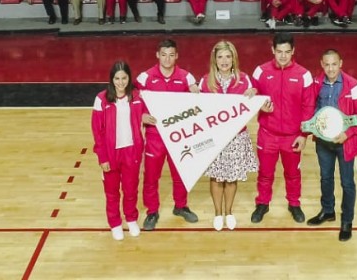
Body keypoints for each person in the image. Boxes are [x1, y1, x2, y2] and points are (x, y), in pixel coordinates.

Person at [135, 39, 200, 230]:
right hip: (155, 136)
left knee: (180, 174)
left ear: (177, 56)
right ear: (157, 55)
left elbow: (199, 105)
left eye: (171, 55)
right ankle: (152, 211)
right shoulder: (145, 77)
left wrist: (197, 92)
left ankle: (181, 206)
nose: (167, 59)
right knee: (151, 177)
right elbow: (131, 99)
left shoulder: (186, 78)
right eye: (164, 54)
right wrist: (141, 115)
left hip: (179, 136)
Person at [251, 32, 315, 224]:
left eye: (287, 52)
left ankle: (294, 204)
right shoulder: (260, 71)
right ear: (273, 50)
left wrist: (304, 134)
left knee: (293, 173)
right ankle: (262, 203)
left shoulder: (304, 75)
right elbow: (251, 95)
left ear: (293, 51)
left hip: (292, 136)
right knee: (265, 173)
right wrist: (258, 104)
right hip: (267, 135)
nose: (283, 56)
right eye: (279, 51)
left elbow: (308, 106)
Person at [307, 49, 357, 242]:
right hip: (324, 142)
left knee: (347, 183)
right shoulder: (317, 83)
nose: (331, 68)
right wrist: (313, 126)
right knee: (325, 178)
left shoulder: (354, 85)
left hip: (345, 143)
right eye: (327, 64)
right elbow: (312, 107)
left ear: (340, 63)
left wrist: (347, 134)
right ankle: (327, 211)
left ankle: (347, 221)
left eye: (334, 64)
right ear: (321, 64)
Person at [199, 41, 259, 231]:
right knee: (216, 178)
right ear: (214, 60)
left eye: (228, 56)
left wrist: (254, 93)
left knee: (231, 177)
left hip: (236, 138)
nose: (224, 61)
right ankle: (218, 213)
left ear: (233, 58)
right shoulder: (205, 81)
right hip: (214, 139)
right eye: (220, 57)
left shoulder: (245, 80)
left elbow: (258, 101)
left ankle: (229, 211)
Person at [91, 60, 146, 241]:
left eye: (124, 78)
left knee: (131, 190)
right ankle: (115, 223)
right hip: (110, 154)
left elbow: (149, 113)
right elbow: (97, 131)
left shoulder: (138, 97)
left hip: (131, 152)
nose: (121, 82)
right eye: (117, 78)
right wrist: (102, 157)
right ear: (111, 79)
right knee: (112, 192)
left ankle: (131, 219)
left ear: (129, 79)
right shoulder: (101, 99)